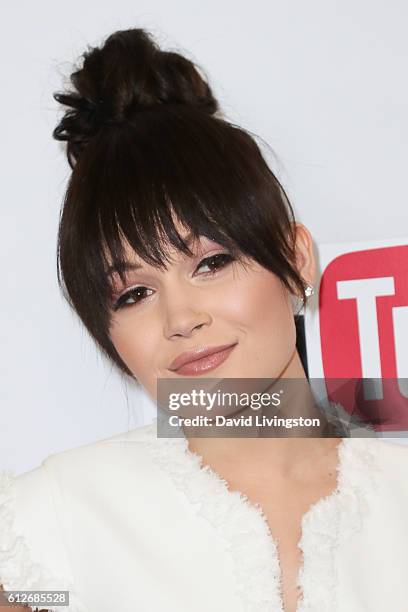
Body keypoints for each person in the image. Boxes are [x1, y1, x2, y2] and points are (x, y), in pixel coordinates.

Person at [1, 27, 408, 612]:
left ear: (296, 260)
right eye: (133, 294)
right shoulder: (54, 527)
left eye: (212, 263)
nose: (181, 318)